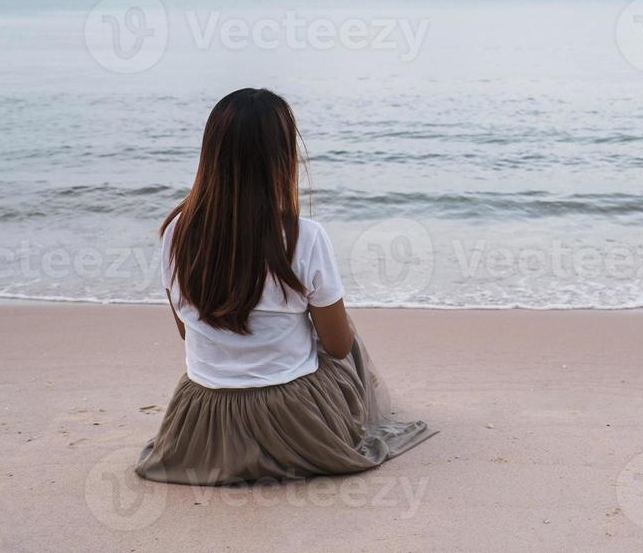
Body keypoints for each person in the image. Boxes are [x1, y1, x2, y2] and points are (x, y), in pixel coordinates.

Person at [136, 88, 433, 485]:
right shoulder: (303, 237)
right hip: (291, 418)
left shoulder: (177, 232)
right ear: (282, 158)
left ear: (211, 154)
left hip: (201, 421)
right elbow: (338, 347)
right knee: (346, 332)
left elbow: (186, 331)